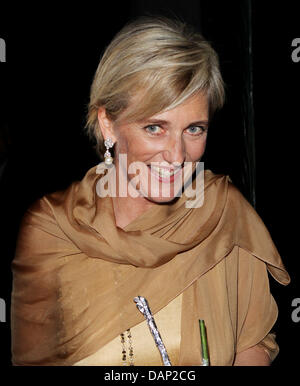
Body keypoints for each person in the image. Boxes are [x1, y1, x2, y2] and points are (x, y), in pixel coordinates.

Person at [10, 16, 290, 366]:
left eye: (194, 129)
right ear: (107, 123)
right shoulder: (53, 229)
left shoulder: (223, 215)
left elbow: (251, 344)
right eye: (155, 127)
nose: (176, 155)